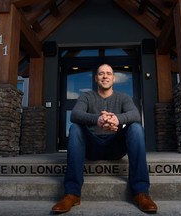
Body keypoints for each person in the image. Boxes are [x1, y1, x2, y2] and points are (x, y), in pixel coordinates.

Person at [52, 63, 157, 214]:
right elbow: (75, 114)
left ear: (113, 78)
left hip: (115, 146)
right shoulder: (86, 96)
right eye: (101, 74)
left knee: (135, 128)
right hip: (92, 146)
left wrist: (117, 119)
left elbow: (135, 114)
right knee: (75, 127)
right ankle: (72, 194)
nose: (105, 76)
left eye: (108, 73)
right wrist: (98, 120)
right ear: (96, 78)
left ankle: (141, 193)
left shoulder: (123, 97)